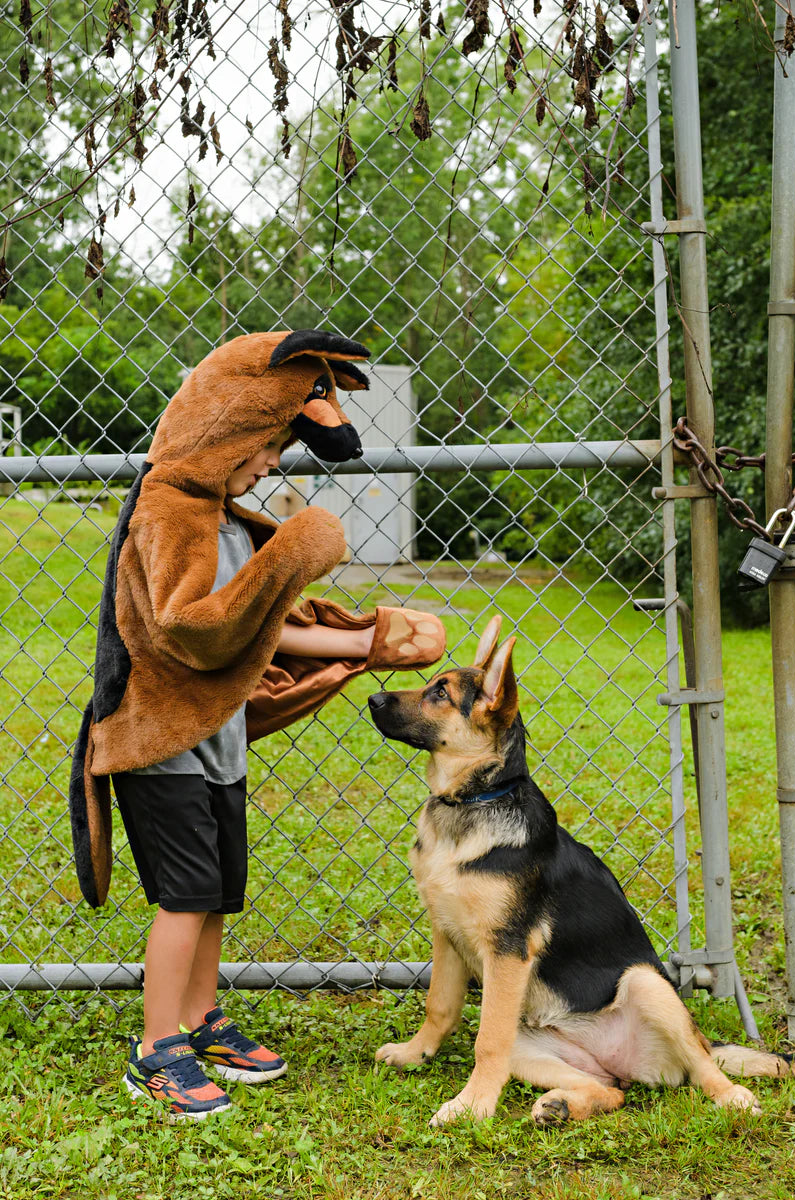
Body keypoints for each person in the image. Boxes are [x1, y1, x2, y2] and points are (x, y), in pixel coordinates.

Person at [68, 329, 446, 1120]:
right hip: (161, 738)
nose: (274, 462)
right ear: (229, 432)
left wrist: (364, 642)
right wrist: (298, 549)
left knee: (215, 894)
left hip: (219, 738)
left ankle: (201, 1021)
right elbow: (191, 627)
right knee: (185, 894)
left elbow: (263, 624)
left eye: (279, 446)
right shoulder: (171, 509)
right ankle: (157, 1047)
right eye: (266, 445)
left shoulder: (229, 516)